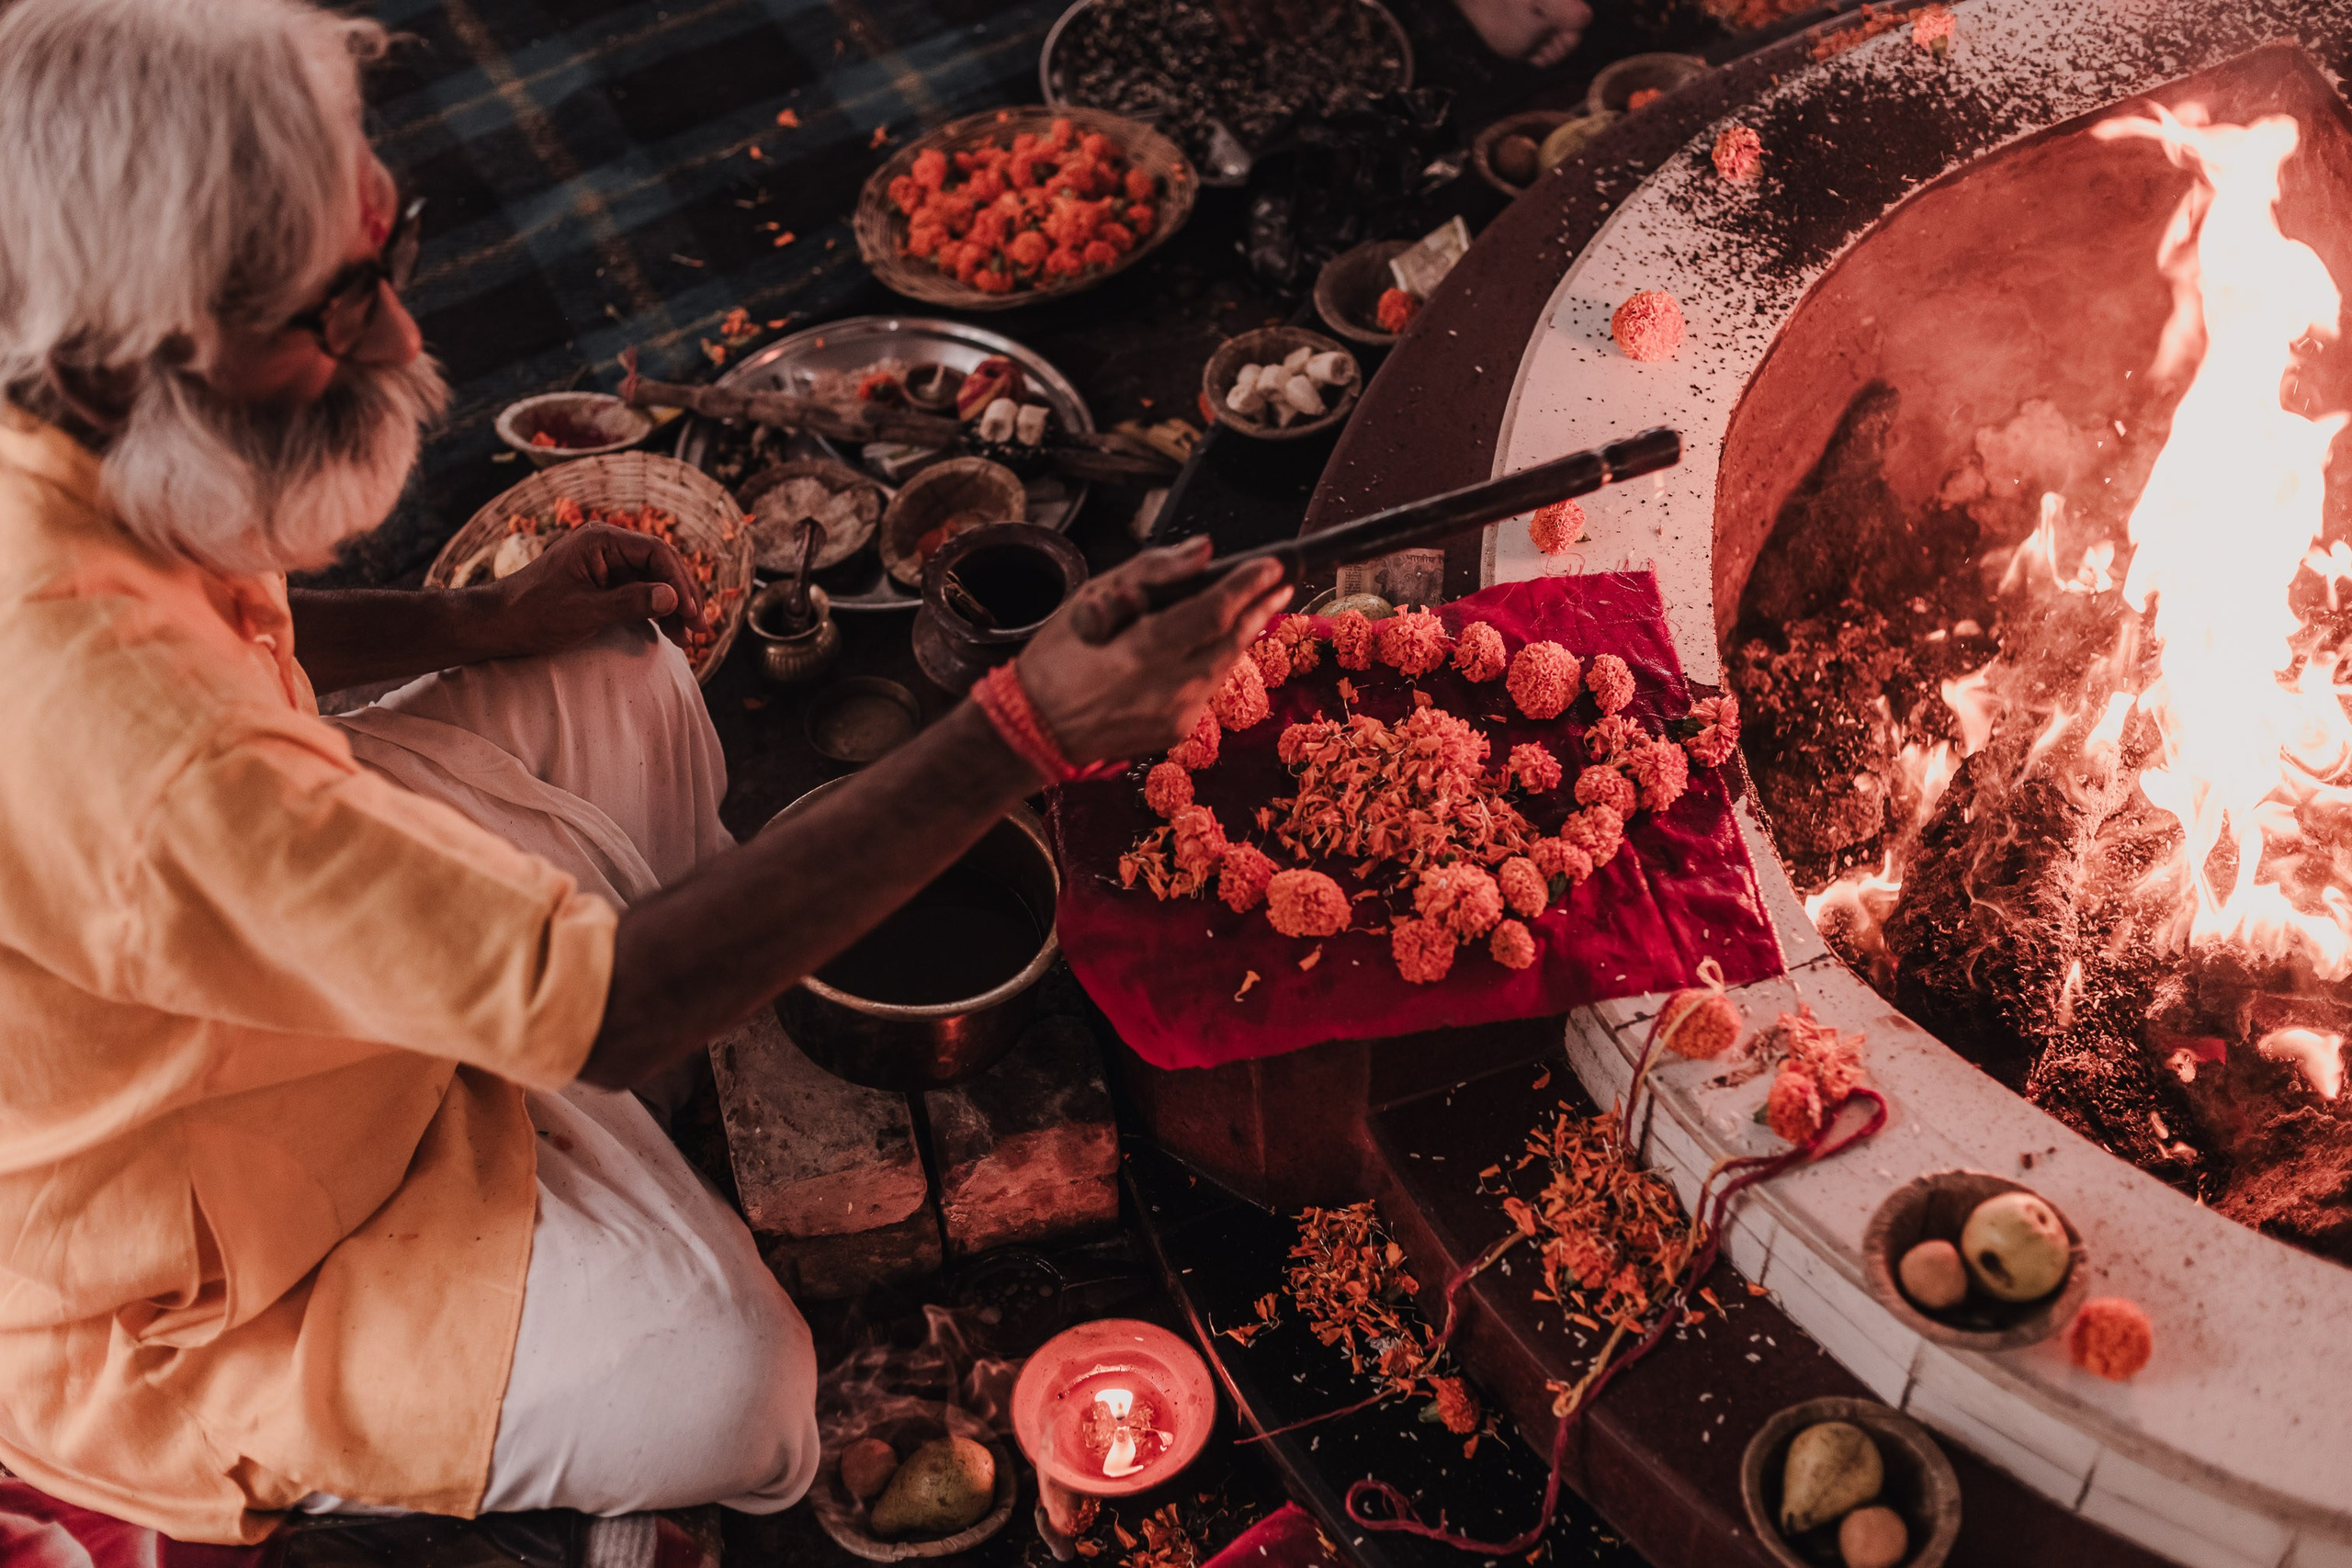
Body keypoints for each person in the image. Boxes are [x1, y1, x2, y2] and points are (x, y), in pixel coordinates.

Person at [0, 0, 1288, 1544]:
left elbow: (224, 613)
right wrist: (1020, 729)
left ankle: (643, 1125)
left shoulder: (47, 392)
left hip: (270, 933)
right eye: (337, 314)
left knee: (615, 669)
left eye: (385, 256)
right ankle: (606, 1200)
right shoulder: (135, 746)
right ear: (115, 361)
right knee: (739, 1386)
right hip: (244, 1214)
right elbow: (598, 1002)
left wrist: (478, 620)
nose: (408, 344)